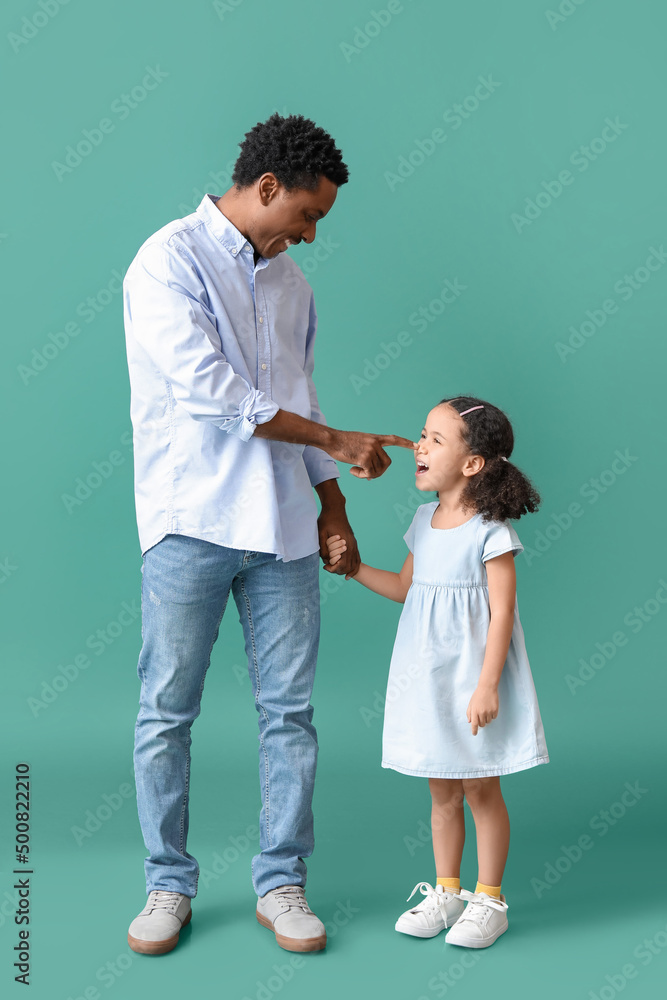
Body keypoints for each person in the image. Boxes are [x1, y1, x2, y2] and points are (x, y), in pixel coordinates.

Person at [122, 113, 415, 956]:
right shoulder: (165, 261)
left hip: (285, 528)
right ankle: (166, 885)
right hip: (191, 521)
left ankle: (281, 882)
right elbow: (212, 393)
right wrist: (332, 443)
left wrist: (332, 506)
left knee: (289, 714)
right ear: (266, 188)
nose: (310, 235)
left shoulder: (291, 286)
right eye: (307, 215)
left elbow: (304, 395)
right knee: (166, 712)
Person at [326, 395, 549, 949]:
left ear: (472, 464)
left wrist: (488, 684)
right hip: (428, 677)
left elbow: (503, 613)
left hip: (473, 679)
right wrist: (353, 570)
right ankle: (446, 892)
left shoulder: (490, 530)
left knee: (480, 787)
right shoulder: (424, 520)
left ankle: (489, 899)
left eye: (434, 439)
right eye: (422, 434)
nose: (419, 447)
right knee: (442, 790)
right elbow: (406, 590)